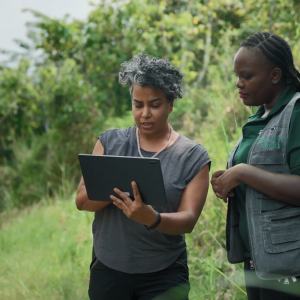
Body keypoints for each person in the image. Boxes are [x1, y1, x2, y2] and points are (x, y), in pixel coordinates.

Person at [75, 53, 211, 300]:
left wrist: (152, 218)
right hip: (109, 269)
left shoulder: (192, 156)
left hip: (165, 273)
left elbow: (189, 220)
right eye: (138, 105)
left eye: (155, 105)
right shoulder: (110, 142)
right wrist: (116, 183)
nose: (145, 113)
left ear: (170, 104)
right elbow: (82, 201)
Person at [211, 32, 300, 299]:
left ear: (275, 75)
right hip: (258, 258)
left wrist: (242, 172)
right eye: (237, 76)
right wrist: (228, 180)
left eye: (247, 76)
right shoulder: (260, 116)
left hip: (289, 264)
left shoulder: (295, 112)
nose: (238, 84)